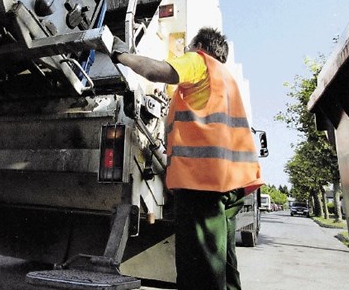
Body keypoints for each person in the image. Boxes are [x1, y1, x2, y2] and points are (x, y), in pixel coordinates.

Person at [109, 27, 264, 290]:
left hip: (202, 183)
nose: (186, 52)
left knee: (198, 271)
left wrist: (122, 55)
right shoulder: (226, 79)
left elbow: (156, 71)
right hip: (232, 185)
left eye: (188, 47)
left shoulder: (200, 61)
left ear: (200, 46)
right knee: (223, 265)